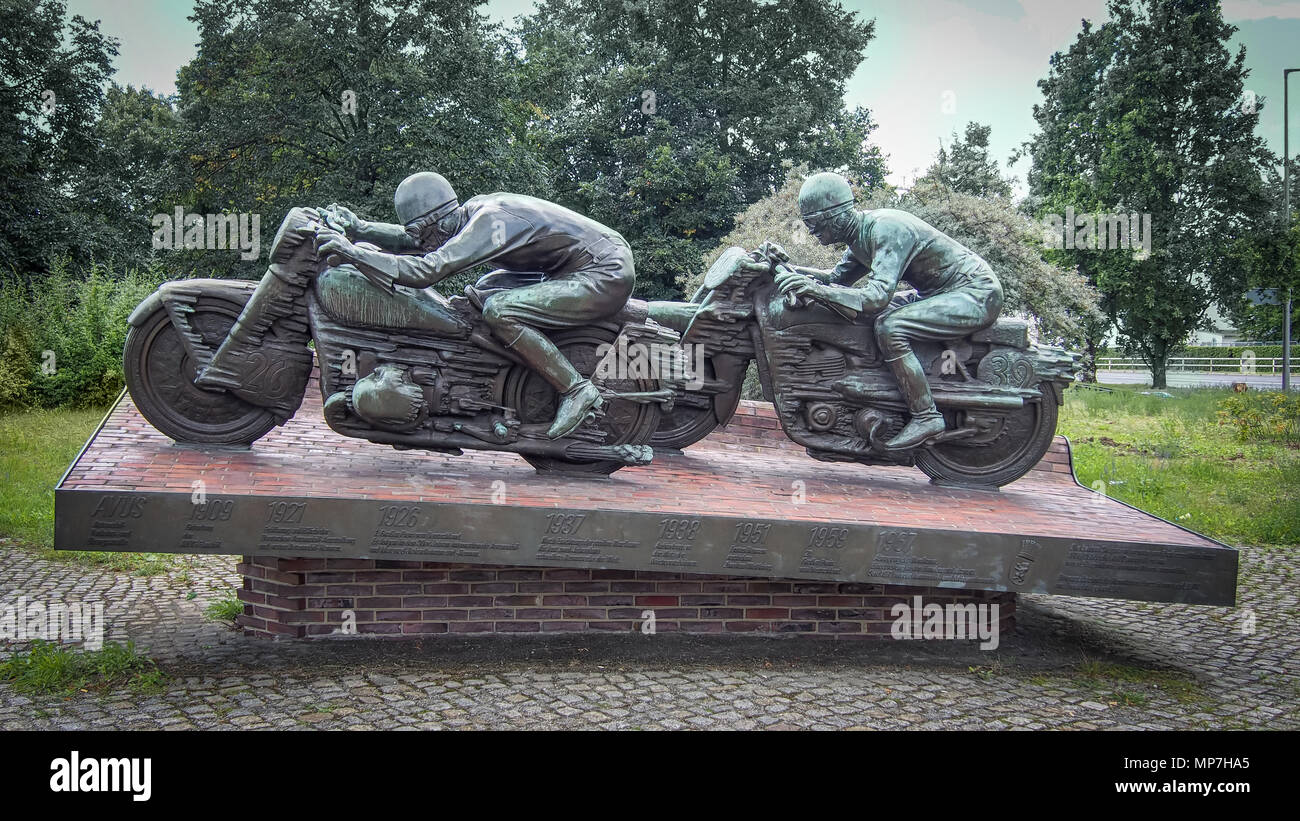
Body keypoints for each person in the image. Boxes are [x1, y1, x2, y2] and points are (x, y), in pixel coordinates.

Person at [316, 172, 637, 439]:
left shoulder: (486, 222)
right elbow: (416, 241)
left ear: (438, 223)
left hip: (603, 272)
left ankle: (576, 389)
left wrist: (352, 251)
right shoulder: (464, 217)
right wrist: (361, 229)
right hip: (569, 269)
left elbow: (426, 270)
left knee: (499, 310)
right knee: (477, 296)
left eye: (421, 232)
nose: (419, 241)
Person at [773, 171, 1004, 449]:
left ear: (834, 215)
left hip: (975, 294)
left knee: (890, 325)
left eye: (815, 223)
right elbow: (835, 279)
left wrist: (813, 289)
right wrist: (787, 268)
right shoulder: (858, 238)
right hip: (938, 294)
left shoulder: (885, 229)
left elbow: (877, 297)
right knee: (870, 317)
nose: (811, 231)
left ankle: (926, 416)